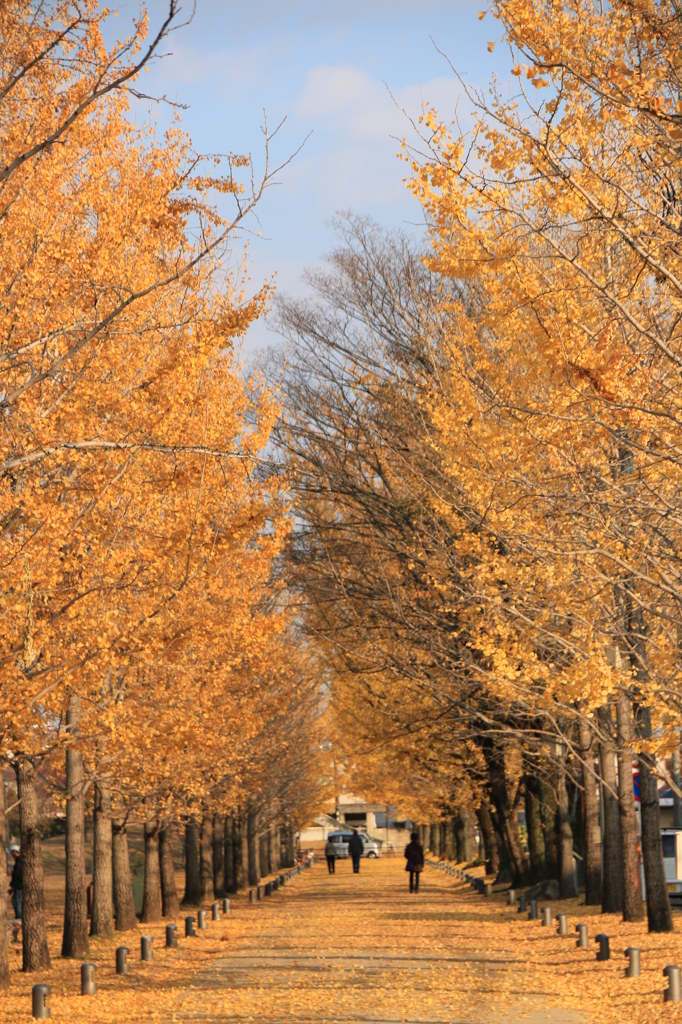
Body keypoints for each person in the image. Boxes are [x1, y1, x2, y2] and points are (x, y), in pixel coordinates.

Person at [9, 844, 23, 920]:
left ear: (15, 851)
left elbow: (16, 875)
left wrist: (13, 885)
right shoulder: (19, 860)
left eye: (11, 852)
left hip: (19, 885)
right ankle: (19, 915)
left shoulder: (19, 861)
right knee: (16, 899)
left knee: (16, 899)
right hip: (19, 884)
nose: (11, 854)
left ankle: (19, 916)